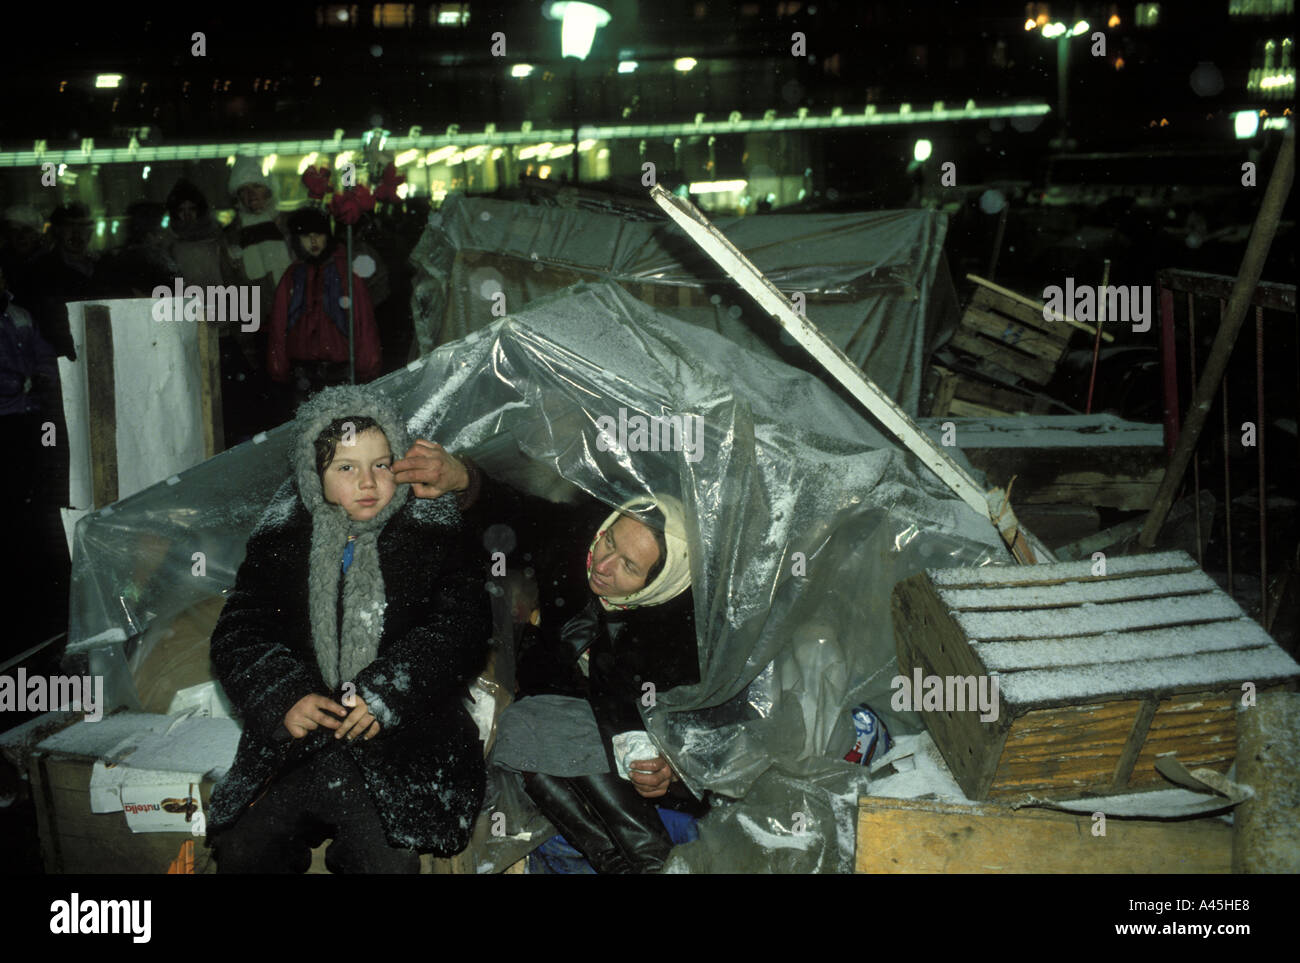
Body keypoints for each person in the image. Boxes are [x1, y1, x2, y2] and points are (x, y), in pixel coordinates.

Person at [206, 385, 493, 873]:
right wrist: (283, 696)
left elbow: (459, 627)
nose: (368, 482)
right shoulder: (282, 539)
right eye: (346, 467)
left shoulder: (432, 533)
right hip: (304, 740)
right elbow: (240, 630)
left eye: (382, 464)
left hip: (403, 738)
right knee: (243, 849)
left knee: (384, 862)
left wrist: (388, 692)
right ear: (313, 476)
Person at [392, 440, 703, 874]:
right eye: (609, 539)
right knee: (523, 736)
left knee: (531, 728)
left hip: (622, 753)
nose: (603, 564)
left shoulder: (683, 631)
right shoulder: (580, 541)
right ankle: (633, 864)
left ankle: (649, 861)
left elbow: (706, 725)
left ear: (658, 583)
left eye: (628, 567)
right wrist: (464, 479)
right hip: (558, 732)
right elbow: (522, 516)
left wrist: (672, 763)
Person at [266, 207, 382, 400]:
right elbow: (279, 323)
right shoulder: (293, 276)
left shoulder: (346, 273)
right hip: (303, 369)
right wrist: (278, 364)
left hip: (340, 367)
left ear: (327, 236)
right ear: (297, 239)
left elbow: (363, 321)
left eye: (318, 235)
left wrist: (368, 365)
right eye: (306, 236)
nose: (313, 242)